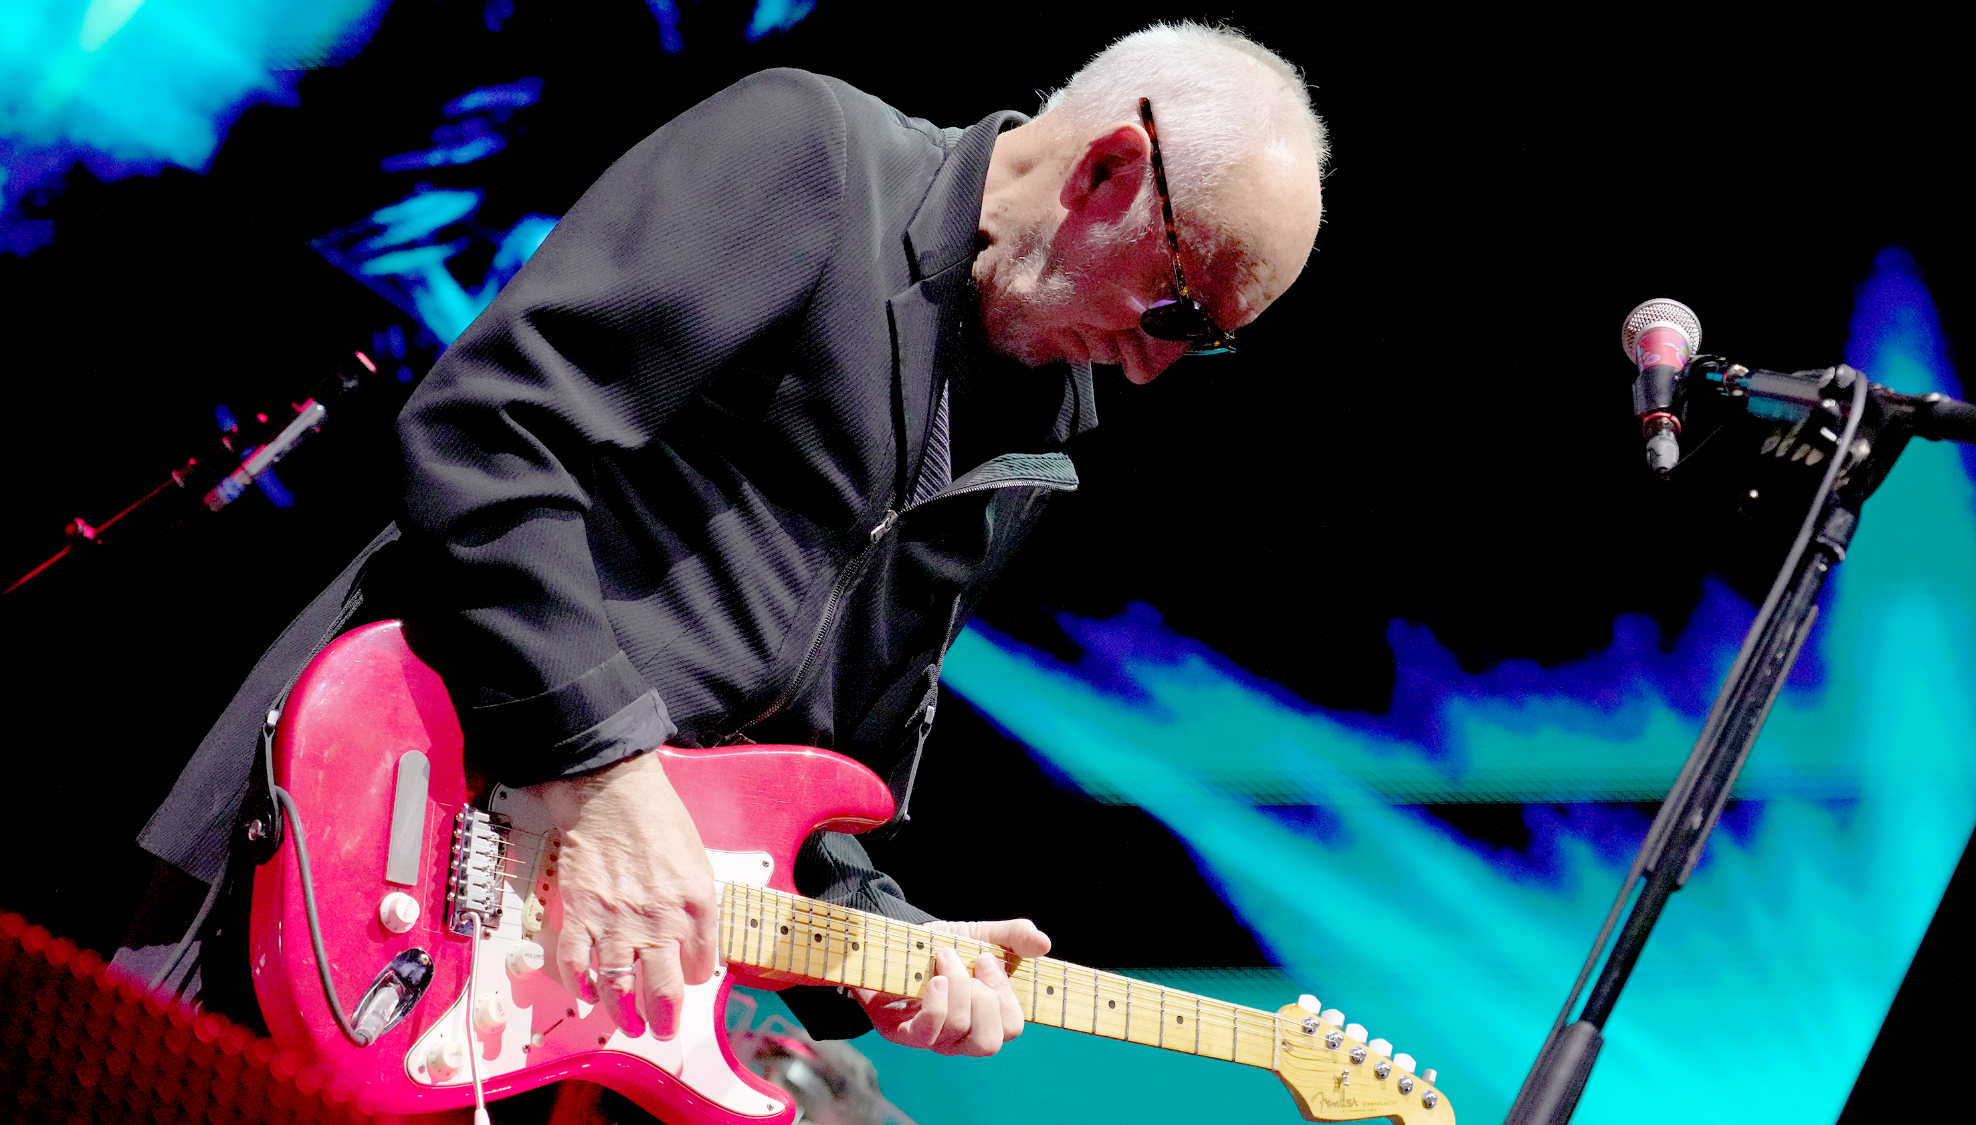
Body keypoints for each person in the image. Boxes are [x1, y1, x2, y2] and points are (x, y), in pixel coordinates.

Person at [118, 20, 1327, 1071]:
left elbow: (821, 759)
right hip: (358, 838)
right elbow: (487, 435)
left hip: (536, 991)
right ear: (1111, 169)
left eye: (1205, 345)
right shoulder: (813, 158)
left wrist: (882, 943)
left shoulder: (1031, 447)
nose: (1157, 363)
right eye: (1176, 307)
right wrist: (601, 768)